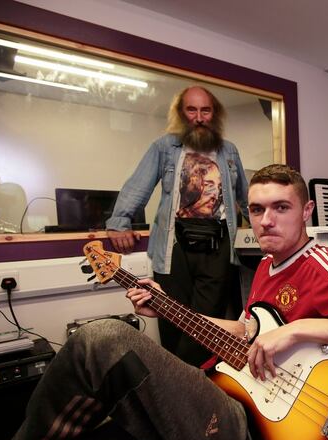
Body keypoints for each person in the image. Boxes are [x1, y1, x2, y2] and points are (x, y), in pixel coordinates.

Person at [4, 164, 328, 440]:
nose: (266, 220)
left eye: (281, 207)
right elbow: (246, 331)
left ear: (306, 211)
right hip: (235, 389)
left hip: (262, 422)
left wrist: (294, 330)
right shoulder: (269, 265)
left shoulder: (322, 264)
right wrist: (166, 308)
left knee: (102, 337)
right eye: (256, 209)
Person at [106, 85, 249, 367]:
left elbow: (245, 195)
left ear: (214, 114)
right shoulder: (164, 147)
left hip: (218, 246)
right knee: (172, 316)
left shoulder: (229, 151)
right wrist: (120, 221)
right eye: (191, 110)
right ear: (182, 114)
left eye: (205, 110)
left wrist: (263, 228)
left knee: (211, 319)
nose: (199, 117)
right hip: (174, 247)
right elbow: (138, 186)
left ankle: (193, 382)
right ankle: (179, 382)